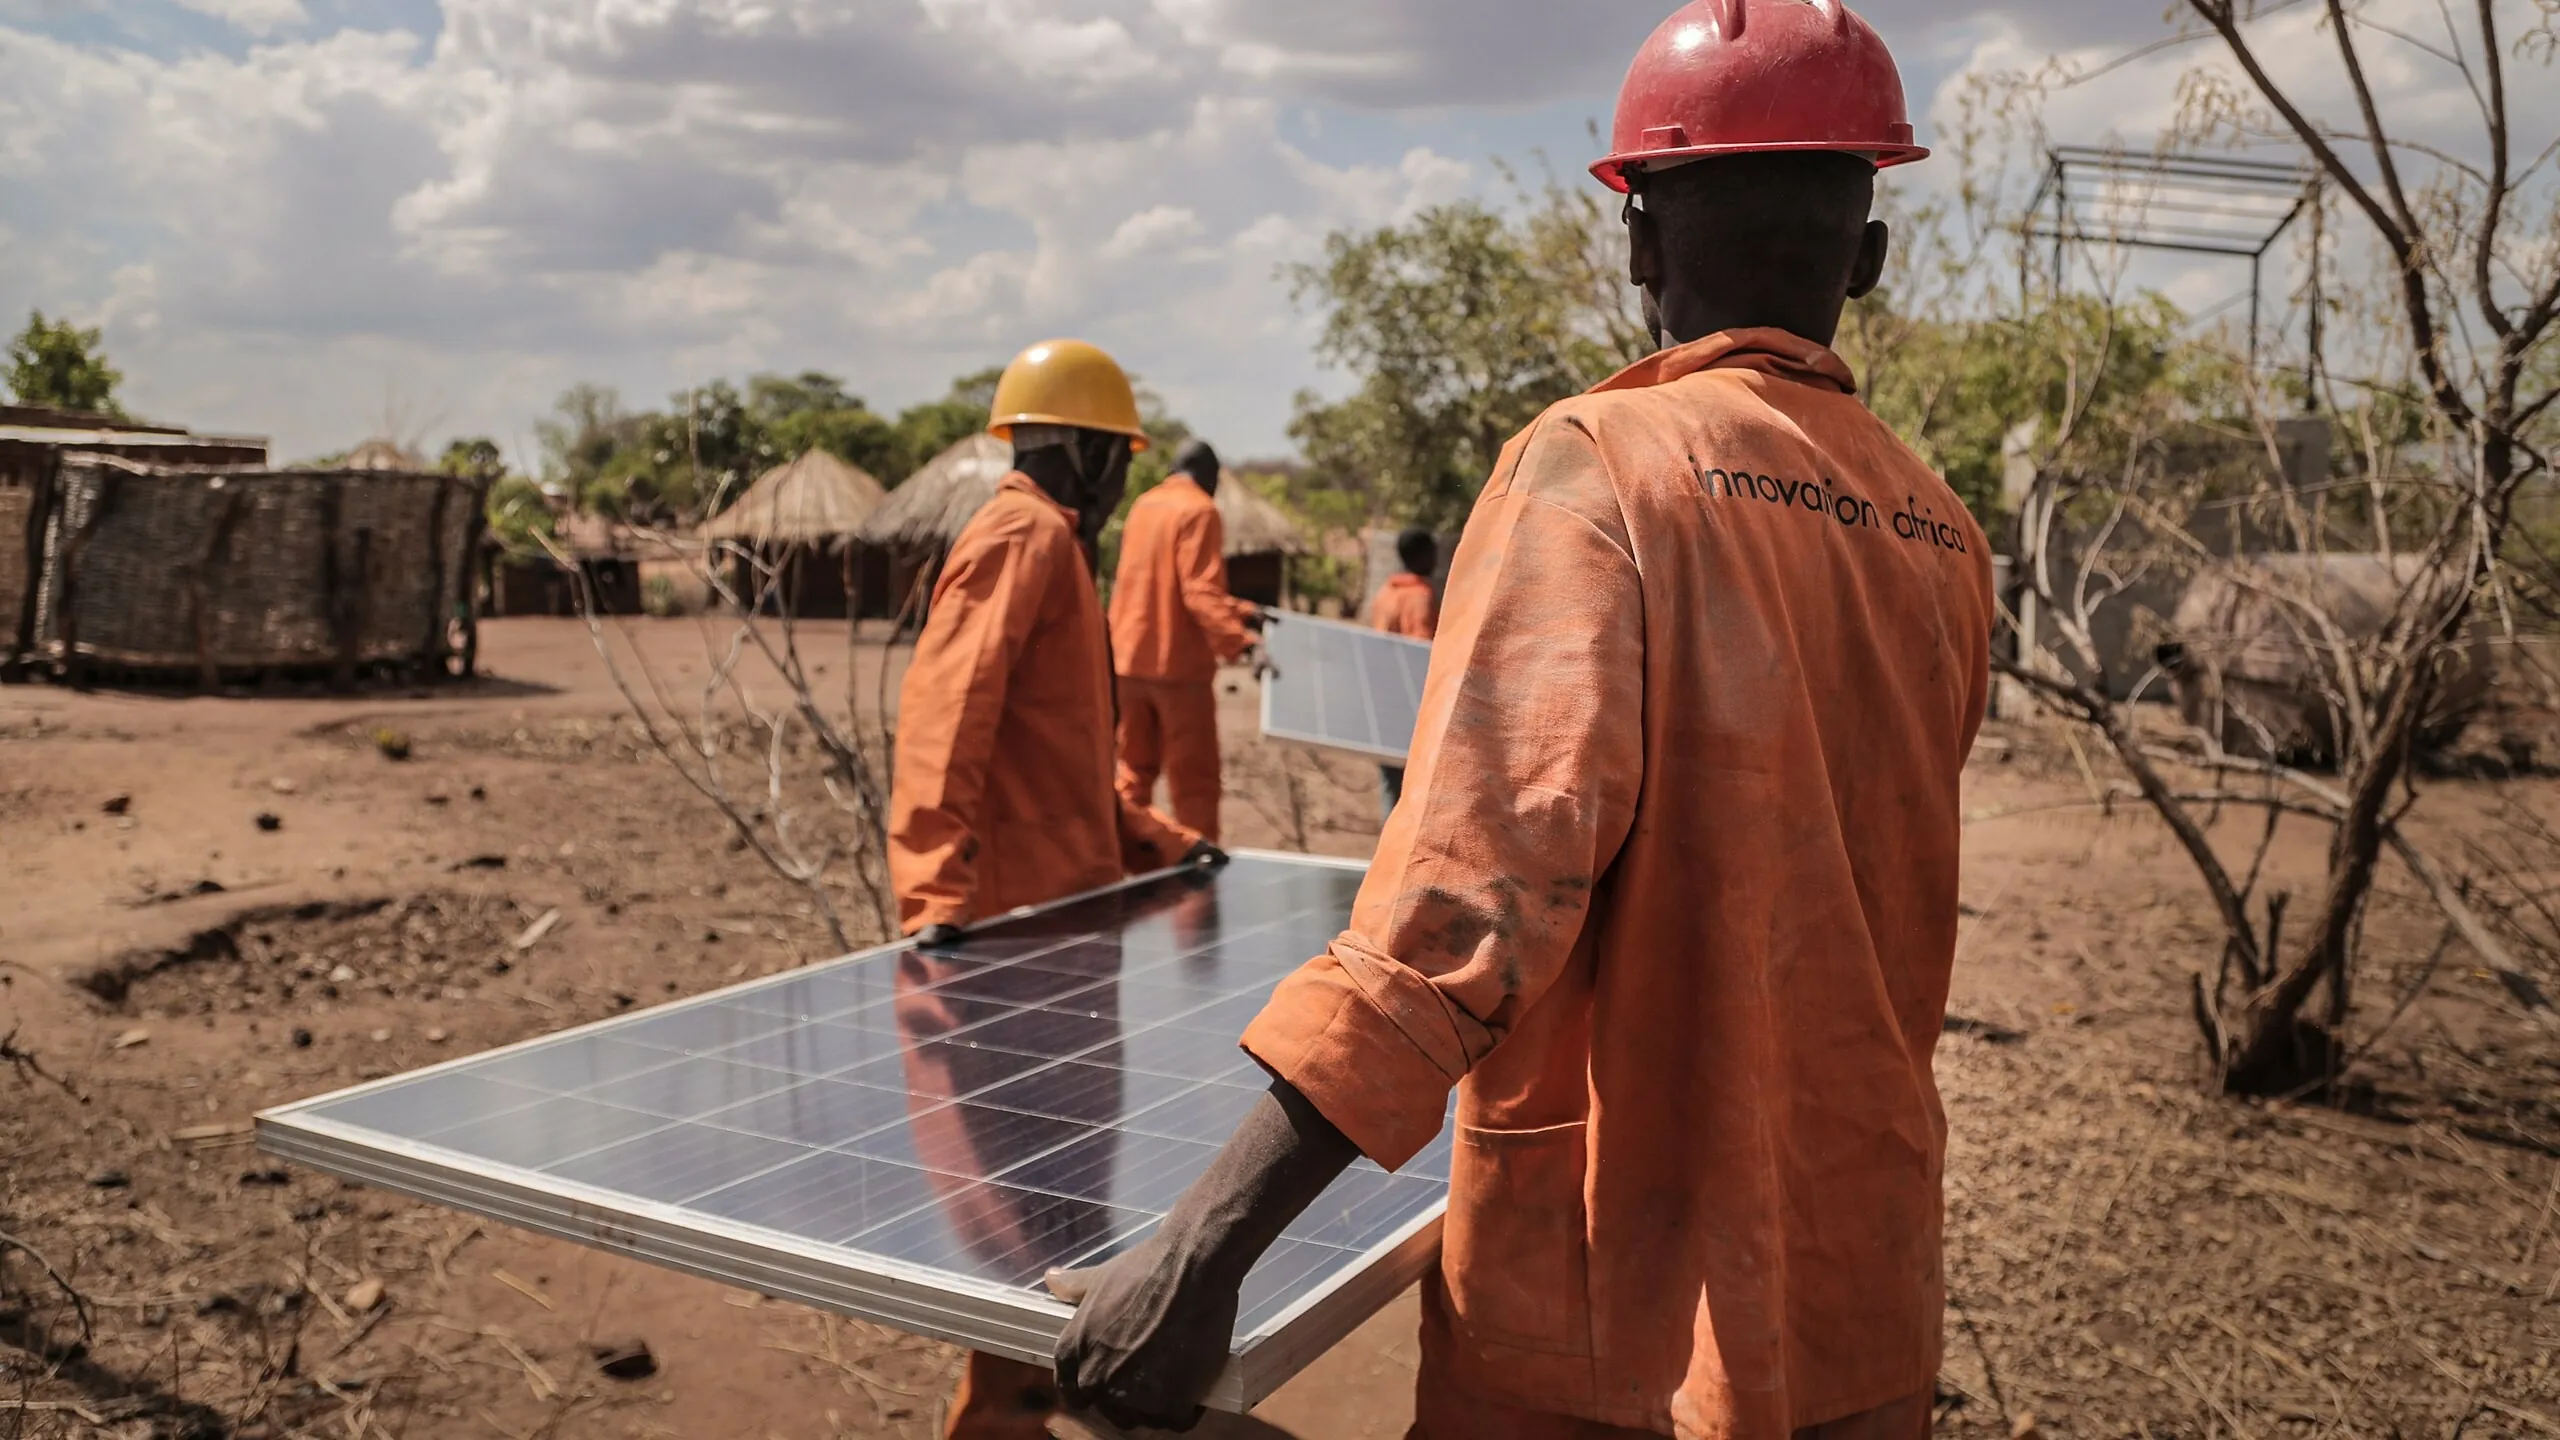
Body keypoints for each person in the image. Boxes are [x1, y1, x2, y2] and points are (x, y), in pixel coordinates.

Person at [1046, 4, 1995, 1438]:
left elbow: (1460, 918)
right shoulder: (1942, 534)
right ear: (1867, 257)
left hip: (1624, 1308)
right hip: (1859, 1281)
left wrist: (1199, 1253)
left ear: (1640, 243)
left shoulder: (1599, 470)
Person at [884, 336, 1224, 1440]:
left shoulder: (1057, 549)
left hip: (1069, 929)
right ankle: (996, 1414)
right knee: (1010, 1204)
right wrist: (931, 894)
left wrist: (1157, 841)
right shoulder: (1024, 535)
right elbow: (949, 711)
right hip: (1006, 938)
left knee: (1062, 1191)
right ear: (1087, 455)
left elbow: (1068, 759)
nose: (1127, 479)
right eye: (1119, 458)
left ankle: (1025, 1400)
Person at [1109, 437, 1263, 842]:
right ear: (1210, 476)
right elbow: (1197, 591)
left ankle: (1126, 856)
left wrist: (1242, 610)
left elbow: (1163, 583)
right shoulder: (1200, 509)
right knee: (1193, 784)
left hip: (1127, 660)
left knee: (1133, 772)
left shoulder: (1144, 505)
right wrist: (1243, 642)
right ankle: (1197, 873)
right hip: (1176, 669)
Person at [1367, 527, 1440, 820]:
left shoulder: (1386, 591)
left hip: (1383, 697)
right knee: (1411, 788)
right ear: (1422, 556)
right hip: (1408, 703)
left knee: (1390, 784)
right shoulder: (1419, 596)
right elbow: (1419, 653)